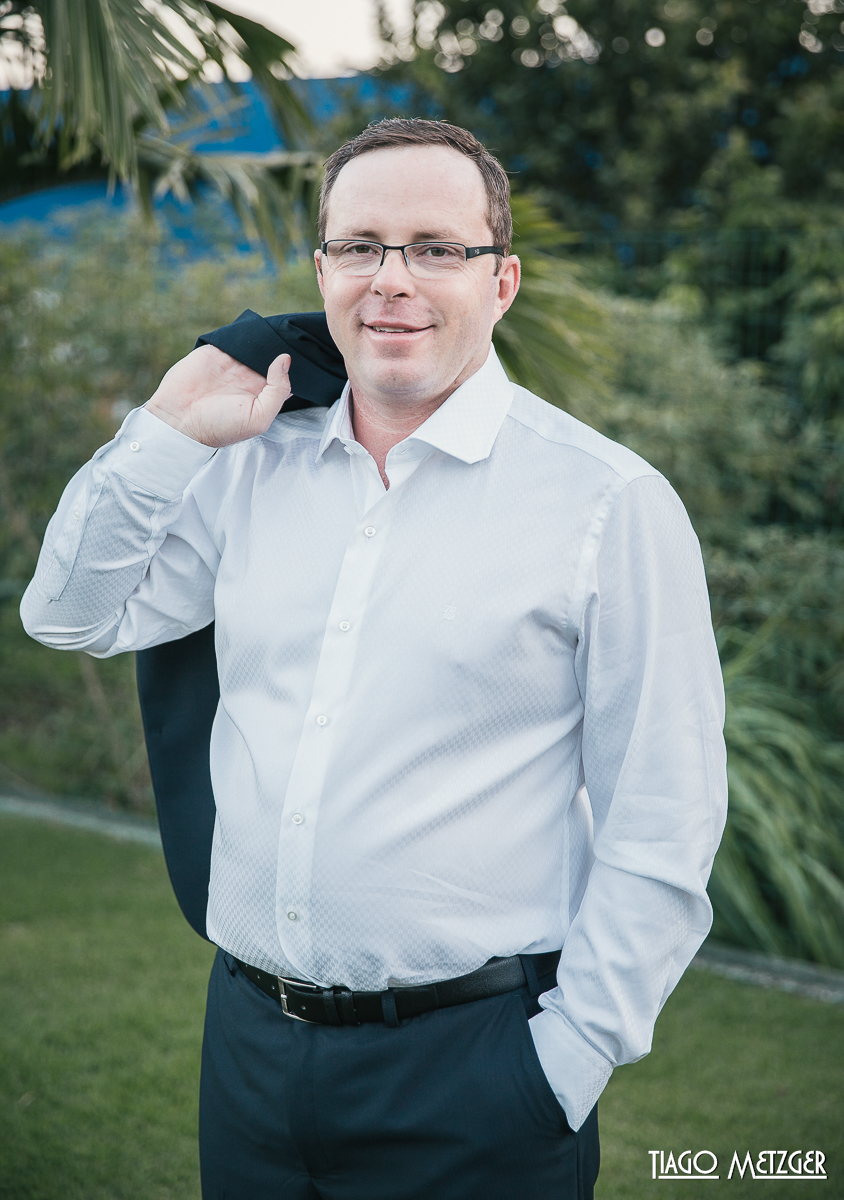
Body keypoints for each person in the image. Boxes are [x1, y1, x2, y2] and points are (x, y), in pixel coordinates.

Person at [21, 118, 728, 1200]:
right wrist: (168, 426)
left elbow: (663, 817)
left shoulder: (606, 504)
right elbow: (70, 615)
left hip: (476, 1068)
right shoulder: (241, 465)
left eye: (436, 248)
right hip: (250, 1048)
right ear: (321, 271)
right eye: (359, 246)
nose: (391, 279)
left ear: (501, 281)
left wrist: (567, 1061)